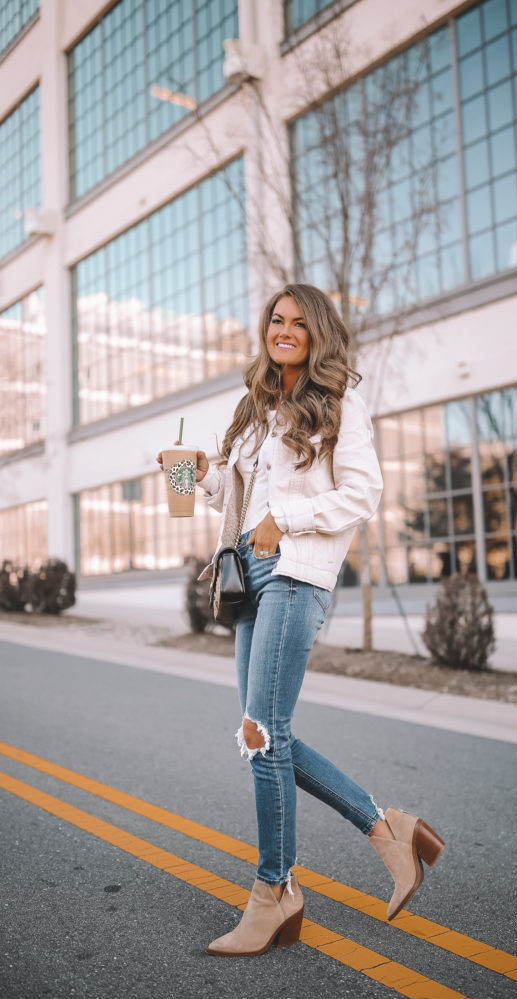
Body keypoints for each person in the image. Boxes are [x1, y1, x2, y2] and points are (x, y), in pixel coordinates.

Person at [159, 283, 444, 957]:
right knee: (260, 735)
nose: (283, 330)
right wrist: (198, 476)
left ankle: (274, 891)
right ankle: (386, 828)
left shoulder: (340, 403)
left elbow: (363, 494)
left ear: (317, 333)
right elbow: (236, 504)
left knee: (263, 734)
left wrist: (284, 518)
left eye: (296, 322)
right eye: (274, 320)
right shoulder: (255, 411)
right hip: (250, 578)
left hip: (295, 574)